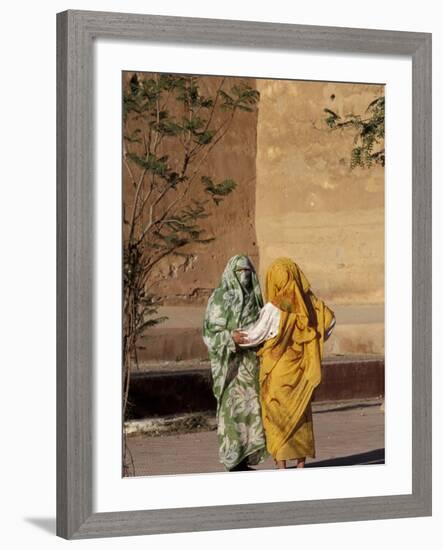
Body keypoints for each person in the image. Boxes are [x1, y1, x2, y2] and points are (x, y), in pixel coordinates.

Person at [233, 257, 335, 469]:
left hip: (278, 371)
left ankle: (281, 466)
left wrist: (235, 337)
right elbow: (330, 322)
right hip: (302, 370)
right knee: (300, 416)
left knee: (277, 417)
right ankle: (300, 465)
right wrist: (315, 341)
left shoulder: (275, 307)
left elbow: (256, 335)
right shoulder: (312, 303)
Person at [203, 255, 268, 471]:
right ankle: (233, 462)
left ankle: (245, 460)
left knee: (251, 413)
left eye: (248, 271)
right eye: (240, 272)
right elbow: (209, 334)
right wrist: (231, 338)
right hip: (230, 369)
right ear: (232, 273)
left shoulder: (255, 297)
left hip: (251, 367)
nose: (245, 276)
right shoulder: (220, 299)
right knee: (232, 413)